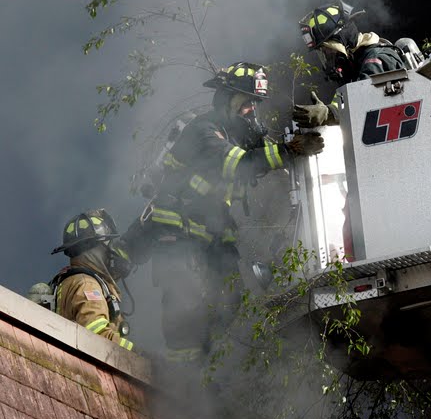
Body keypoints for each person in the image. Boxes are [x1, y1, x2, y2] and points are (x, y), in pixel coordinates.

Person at [124, 62, 325, 364]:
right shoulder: (204, 131)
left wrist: (315, 125)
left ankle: (202, 359)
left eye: (255, 103)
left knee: (232, 298)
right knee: (183, 299)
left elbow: (262, 157)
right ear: (226, 99)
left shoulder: (234, 135)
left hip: (210, 232)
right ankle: (182, 375)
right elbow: (241, 163)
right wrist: (288, 150)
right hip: (177, 229)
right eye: (246, 102)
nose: (251, 110)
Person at [293, 0, 408, 128]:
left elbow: (363, 102)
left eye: (327, 49)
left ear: (341, 39)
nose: (326, 56)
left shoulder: (376, 59)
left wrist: (327, 114)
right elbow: (344, 109)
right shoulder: (355, 67)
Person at [49, 209, 134, 350]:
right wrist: (138, 355)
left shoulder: (73, 281)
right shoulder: (87, 285)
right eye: (108, 245)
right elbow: (97, 337)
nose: (111, 251)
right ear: (95, 250)